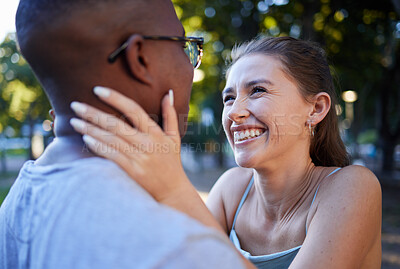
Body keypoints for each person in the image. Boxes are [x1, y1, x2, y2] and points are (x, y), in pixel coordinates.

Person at [70, 36, 382, 268]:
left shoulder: (352, 187)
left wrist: (175, 189)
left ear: (315, 108)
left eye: (257, 91)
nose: (234, 113)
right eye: (229, 98)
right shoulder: (233, 189)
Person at [0, 0, 253, 268]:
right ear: (141, 59)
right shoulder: (173, 246)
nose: (191, 65)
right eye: (182, 45)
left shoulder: (14, 206)